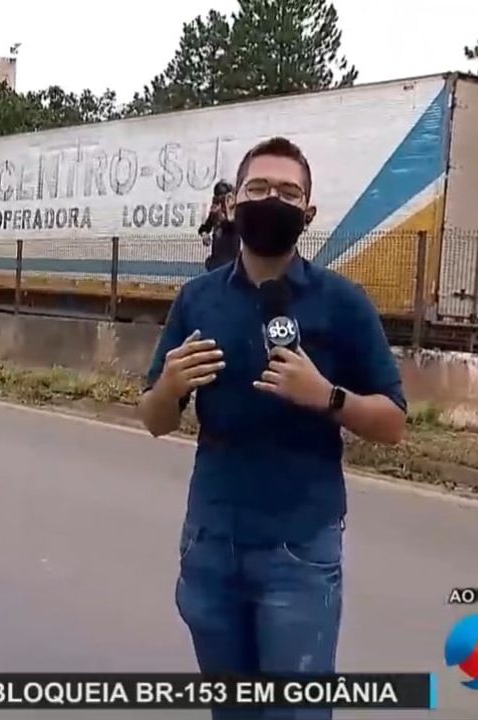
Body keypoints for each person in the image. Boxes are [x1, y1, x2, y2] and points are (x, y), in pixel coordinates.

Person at [139, 137, 408, 720]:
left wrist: (327, 396)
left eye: (288, 192)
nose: (272, 200)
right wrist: (169, 386)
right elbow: (155, 421)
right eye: (258, 189)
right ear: (233, 204)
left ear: (308, 213)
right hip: (211, 540)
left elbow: (393, 424)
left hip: (300, 548)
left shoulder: (343, 303)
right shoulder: (198, 300)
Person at [199, 180, 239, 271]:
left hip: (230, 260)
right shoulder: (215, 213)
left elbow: (231, 225)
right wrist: (204, 233)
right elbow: (204, 227)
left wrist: (224, 215)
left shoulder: (235, 213)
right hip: (217, 260)